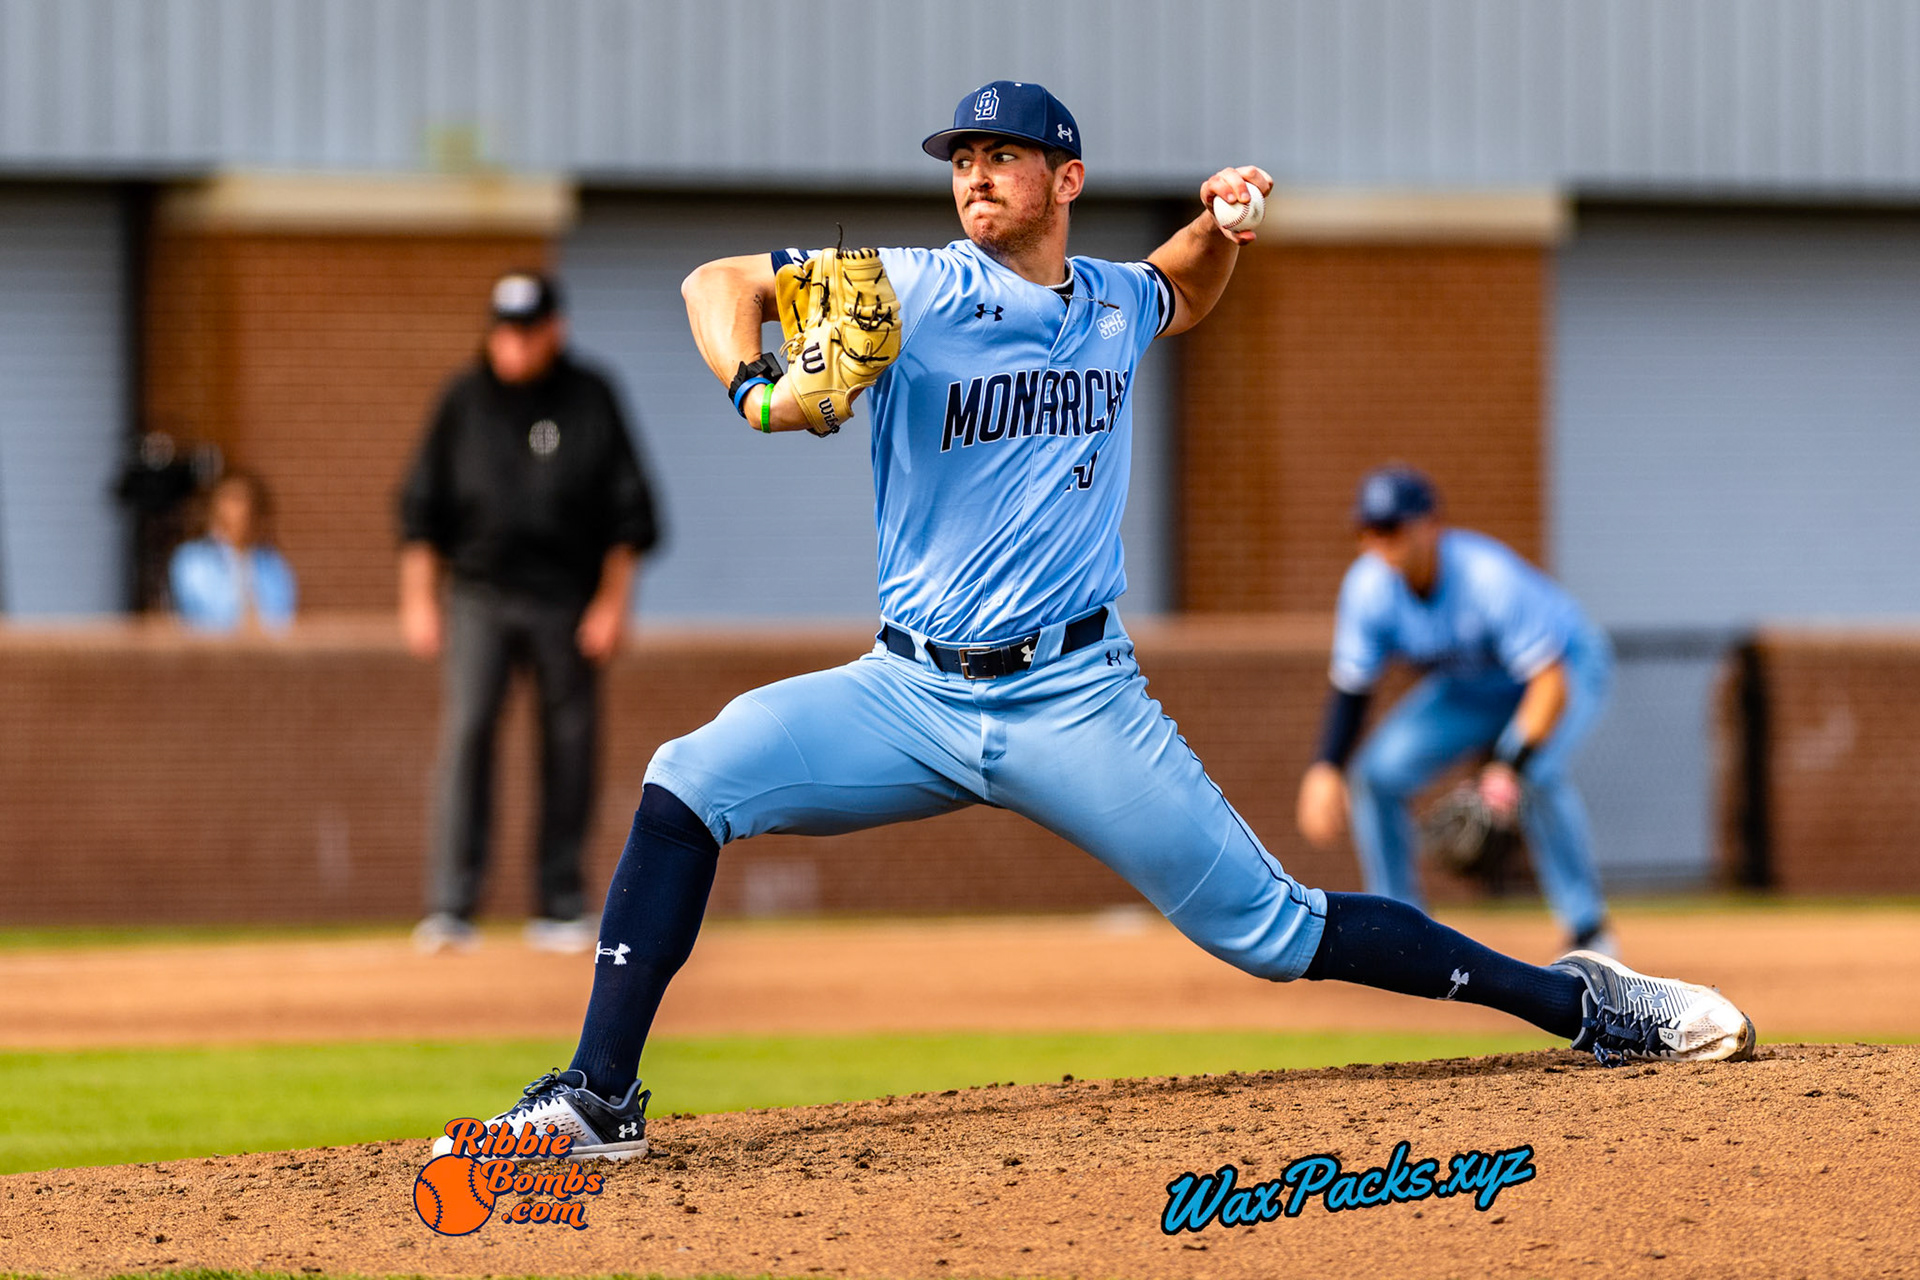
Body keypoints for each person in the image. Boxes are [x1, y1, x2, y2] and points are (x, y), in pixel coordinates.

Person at [433, 82, 1751, 1161]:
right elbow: (714, 284)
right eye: (964, 158)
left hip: (1078, 703)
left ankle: (1584, 1003)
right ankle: (601, 1100)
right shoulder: (911, 292)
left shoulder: (1111, 301)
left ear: (1067, 179)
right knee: (688, 780)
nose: (976, 175)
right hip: (908, 695)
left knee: (1282, 933)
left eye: (1005, 155)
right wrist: (761, 389)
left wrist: (1220, 229)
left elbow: (1177, 286)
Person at [399, 271, 661, 955]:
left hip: (566, 599)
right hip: (478, 595)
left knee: (569, 745)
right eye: (503, 331)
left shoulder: (590, 395)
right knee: (467, 735)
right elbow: (421, 509)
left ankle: (561, 901)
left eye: (526, 331)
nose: (513, 344)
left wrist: (612, 604)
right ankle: (452, 905)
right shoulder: (463, 399)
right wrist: (418, 599)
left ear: (554, 330)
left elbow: (630, 515)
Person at [1296, 467, 1618, 956]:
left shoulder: (1487, 578)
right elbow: (1353, 687)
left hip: (1566, 670)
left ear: (1429, 526)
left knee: (1538, 775)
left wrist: (1508, 767)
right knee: (1376, 776)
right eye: (1367, 531)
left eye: (1391, 528)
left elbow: (1548, 683)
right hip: (1472, 687)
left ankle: (1588, 930)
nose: (1378, 542)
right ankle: (1399, 928)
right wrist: (1326, 766)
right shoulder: (1367, 589)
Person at [169, 470, 297, 632]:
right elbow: (206, 617)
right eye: (230, 500)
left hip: (264, 652)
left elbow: (282, 618)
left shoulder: (272, 564)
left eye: (245, 501)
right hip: (211, 653)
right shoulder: (192, 559)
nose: (237, 510)